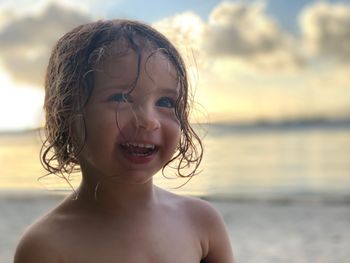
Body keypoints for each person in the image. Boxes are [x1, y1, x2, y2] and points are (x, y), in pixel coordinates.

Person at [14, 19, 234, 263]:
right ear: (65, 113)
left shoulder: (201, 222)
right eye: (121, 97)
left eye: (165, 102)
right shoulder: (47, 245)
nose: (149, 121)